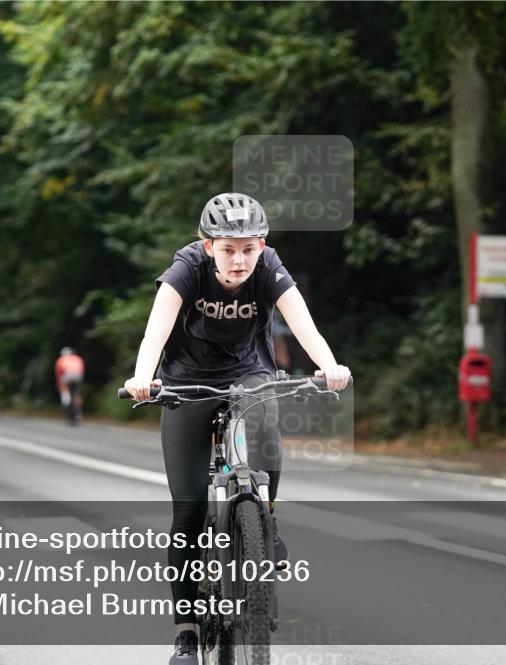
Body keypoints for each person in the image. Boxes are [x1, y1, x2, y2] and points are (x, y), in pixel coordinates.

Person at [123, 192, 350, 664]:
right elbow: (156, 331)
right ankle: (186, 634)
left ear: (262, 245)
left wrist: (329, 366)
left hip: (249, 375)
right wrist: (144, 377)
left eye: (248, 248)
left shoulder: (269, 268)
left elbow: (303, 323)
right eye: (228, 249)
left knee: (265, 411)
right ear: (209, 247)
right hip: (186, 383)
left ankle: (265, 519)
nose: (240, 259)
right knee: (187, 515)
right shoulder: (187, 267)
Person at [55, 347, 85, 425]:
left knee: (64, 389)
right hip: (78, 376)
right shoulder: (77, 358)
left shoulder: (61, 360)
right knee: (76, 394)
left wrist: (61, 386)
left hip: (67, 375)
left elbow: (59, 375)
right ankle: (78, 414)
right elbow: (81, 369)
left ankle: (65, 401)